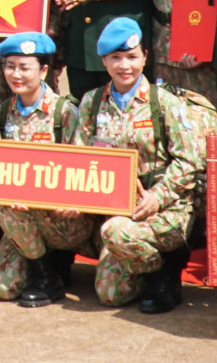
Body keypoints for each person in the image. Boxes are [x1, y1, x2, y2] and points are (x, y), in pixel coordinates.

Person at [68, 18, 209, 314]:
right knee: (110, 294)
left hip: (164, 206)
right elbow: (78, 158)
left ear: (145, 56)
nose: (124, 66)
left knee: (116, 233)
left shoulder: (165, 103)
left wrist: (158, 196)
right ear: (104, 60)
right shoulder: (92, 103)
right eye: (115, 58)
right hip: (115, 208)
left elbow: (191, 159)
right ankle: (148, 266)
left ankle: (166, 272)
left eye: (132, 57)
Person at [0, 33, 88, 307]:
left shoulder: (64, 113)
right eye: (10, 66)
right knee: (2, 288)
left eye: (24, 67)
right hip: (21, 219)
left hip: (62, 219)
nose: (15, 74)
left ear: (44, 70)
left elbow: (83, 167)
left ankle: (49, 276)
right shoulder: (2, 112)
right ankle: (44, 267)